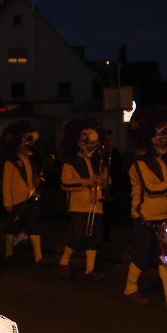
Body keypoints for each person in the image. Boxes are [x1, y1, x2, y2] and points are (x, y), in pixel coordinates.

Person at [122, 106, 167, 308]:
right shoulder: (138, 165)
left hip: (163, 217)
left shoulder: (163, 164)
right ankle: (129, 289)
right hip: (144, 218)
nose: (164, 141)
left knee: (163, 257)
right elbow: (151, 188)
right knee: (141, 255)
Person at [57, 117, 107, 280]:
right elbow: (65, 183)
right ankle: (64, 262)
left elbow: (107, 180)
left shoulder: (98, 161)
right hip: (78, 206)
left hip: (96, 204)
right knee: (77, 236)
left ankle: (90, 269)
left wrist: (104, 180)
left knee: (95, 237)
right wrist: (86, 182)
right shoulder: (70, 162)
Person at [1, 120, 52, 264]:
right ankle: (8, 253)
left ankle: (39, 257)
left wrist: (36, 182)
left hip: (30, 199)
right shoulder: (10, 162)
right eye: (24, 138)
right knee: (13, 226)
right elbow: (6, 184)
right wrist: (8, 203)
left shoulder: (29, 160)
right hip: (17, 200)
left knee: (34, 226)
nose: (28, 141)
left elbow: (31, 180)